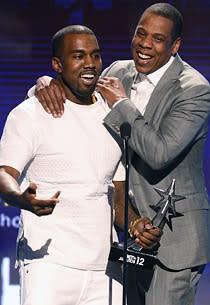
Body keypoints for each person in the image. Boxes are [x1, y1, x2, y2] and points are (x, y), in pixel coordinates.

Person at [32, 3, 210, 305]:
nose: (144, 44)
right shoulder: (118, 72)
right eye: (141, 34)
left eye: (157, 39)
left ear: (175, 45)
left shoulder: (194, 89)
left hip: (171, 238)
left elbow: (159, 153)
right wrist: (44, 85)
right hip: (122, 231)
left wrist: (121, 104)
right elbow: (77, 98)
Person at [0, 24, 162, 305]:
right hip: (48, 264)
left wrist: (135, 224)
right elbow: (5, 173)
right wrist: (19, 198)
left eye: (95, 55)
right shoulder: (29, 114)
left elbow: (116, 193)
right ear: (57, 64)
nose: (90, 64)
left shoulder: (113, 116)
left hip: (105, 270)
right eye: (78, 56)